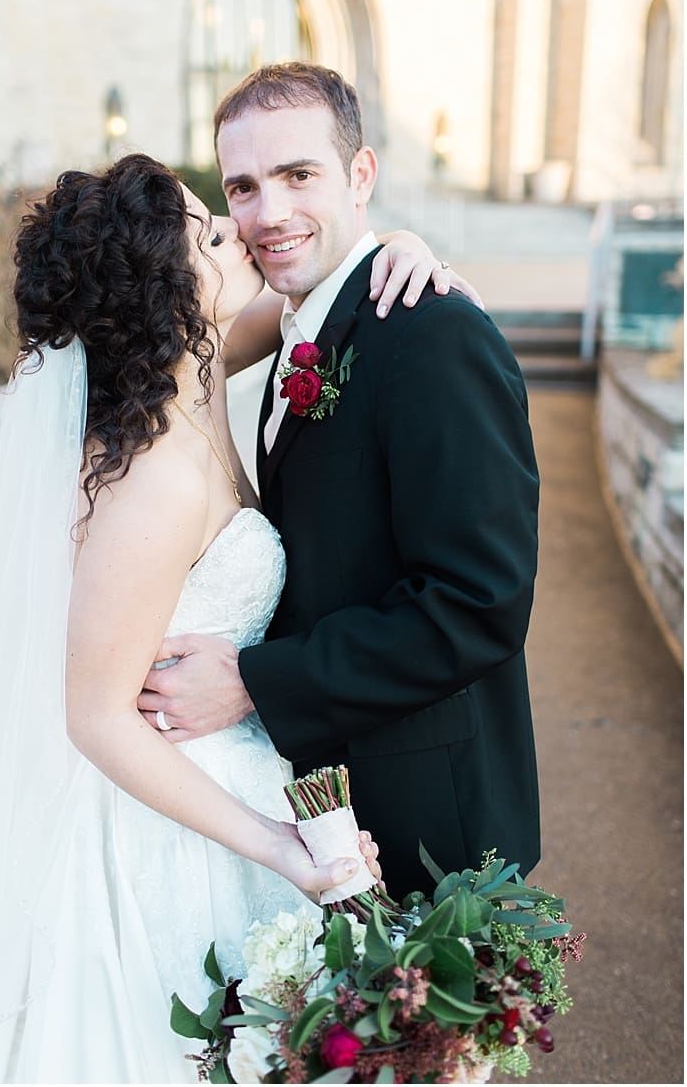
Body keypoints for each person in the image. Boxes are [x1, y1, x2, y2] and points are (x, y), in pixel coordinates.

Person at [0, 151, 463, 1083]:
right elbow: (93, 716)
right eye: (207, 232)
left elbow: (304, 308)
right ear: (165, 288)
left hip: (240, 765)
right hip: (171, 822)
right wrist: (277, 845)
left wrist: (395, 244)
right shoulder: (152, 476)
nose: (233, 230)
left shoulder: (193, 364)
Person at [140, 63, 540, 899]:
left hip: (427, 824)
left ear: (361, 176)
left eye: (299, 175)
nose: (269, 213)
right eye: (243, 187)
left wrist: (254, 681)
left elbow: (478, 602)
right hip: (325, 801)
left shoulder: (433, 338)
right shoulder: (301, 321)